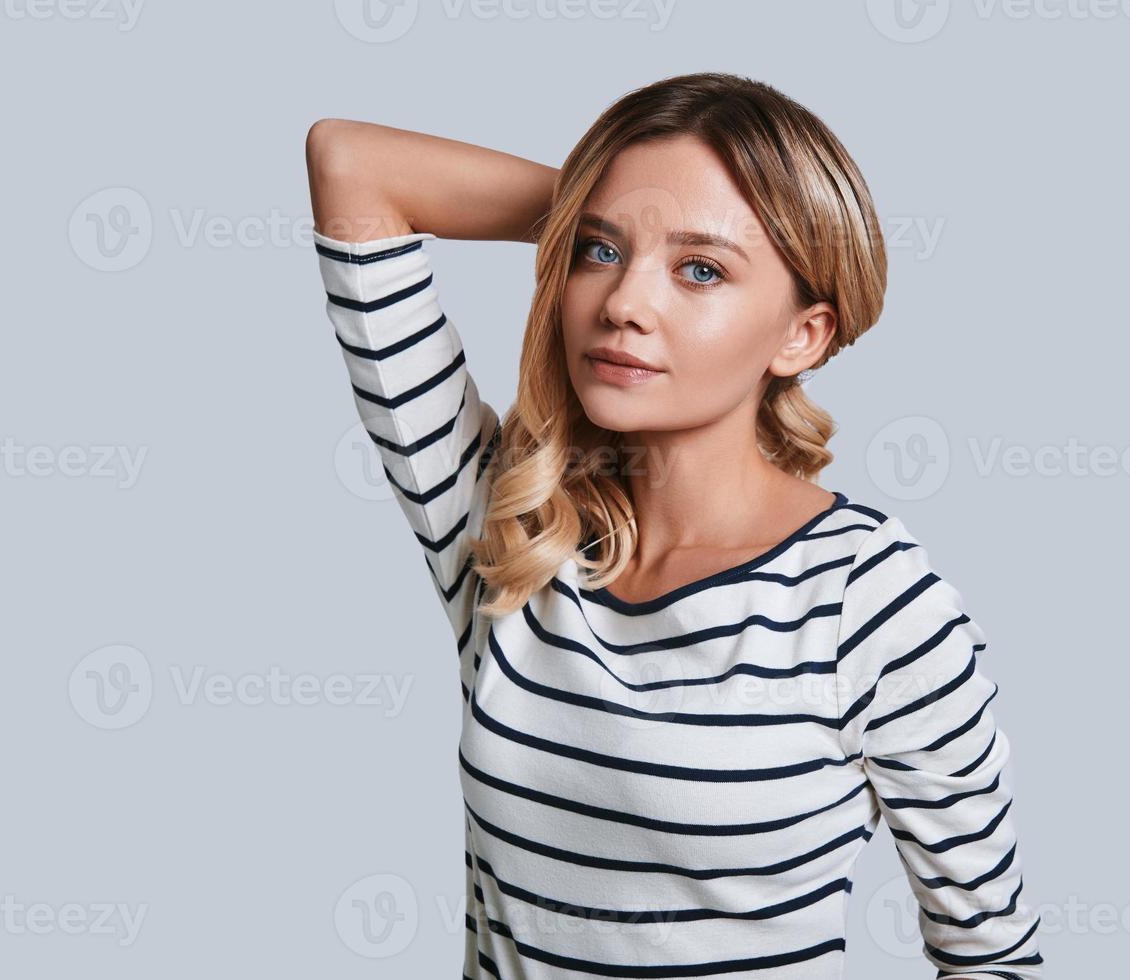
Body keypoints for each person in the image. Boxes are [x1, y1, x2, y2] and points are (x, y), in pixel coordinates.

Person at [305, 71, 1043, 979]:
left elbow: (992, 958)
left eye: (701, 271)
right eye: (595, 253)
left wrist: (630, 228)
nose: (623, 305)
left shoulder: (870, 600)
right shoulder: (505, 527)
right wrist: (617, 217)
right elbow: (351, 164)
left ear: (801, 336)